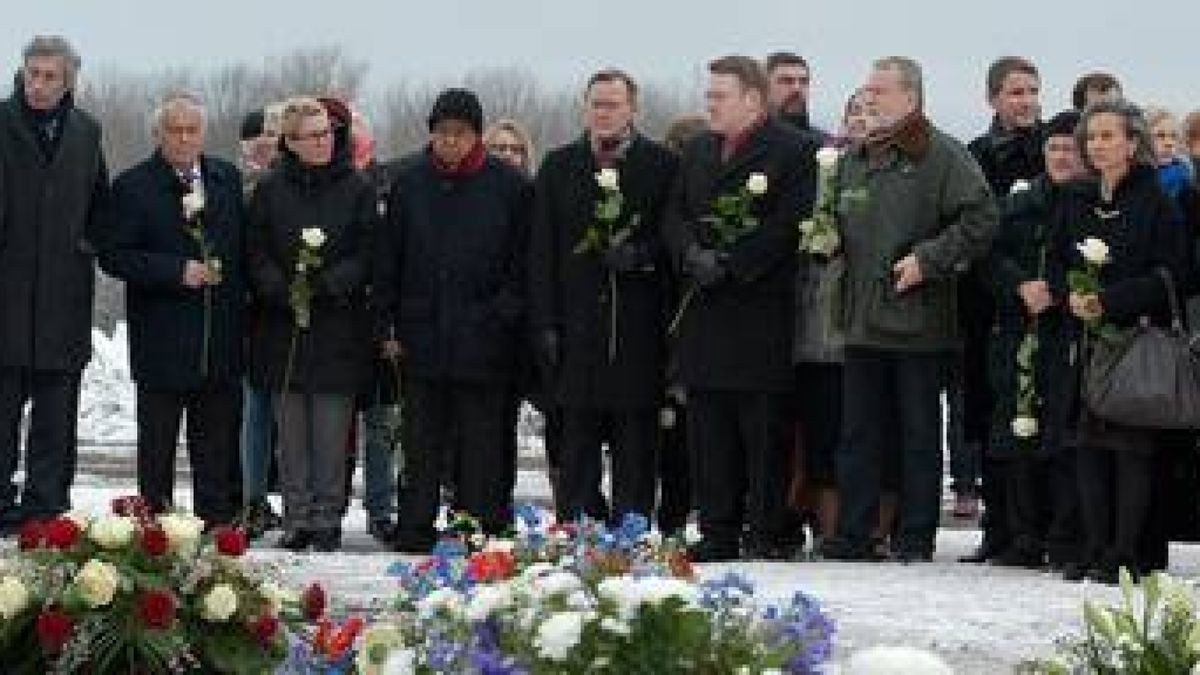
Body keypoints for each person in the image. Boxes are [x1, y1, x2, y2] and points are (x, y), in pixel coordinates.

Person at [821, 56, 997, 563]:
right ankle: (854, 535)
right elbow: (845, 218)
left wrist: (929, 260)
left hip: (917, 320)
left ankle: (915, 537)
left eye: (879, 90)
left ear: (910, 98)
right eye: (866, 89)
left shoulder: (942, 155)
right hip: (860, 320)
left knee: (919, 435)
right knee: (857, 436)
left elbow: (982, 218)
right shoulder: (856, 156)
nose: (869, 97)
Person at [664, 55, 816, 561]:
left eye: (719, 96)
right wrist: (691, 254)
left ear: (752, 99)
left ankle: (769, 529)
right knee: (709, 431)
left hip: (759, 311)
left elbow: (791, 222)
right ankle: (717, 528)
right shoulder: (700, 151)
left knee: (762, 431)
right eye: (708, 96)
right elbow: (675, 213)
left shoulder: (792, 151)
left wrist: (732, 263)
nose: (709, 105)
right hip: (705, 311)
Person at [376, 88, 532, 552]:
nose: (450, 142)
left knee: (479, 440)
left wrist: (502, 314)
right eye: (442, 133)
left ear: (476, 136)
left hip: (484, 335)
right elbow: (390, 259)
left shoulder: (510, 187)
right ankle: (415, 524)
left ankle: (475, 524)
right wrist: (387, 324)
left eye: (459, 134)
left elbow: (521, 262)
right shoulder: (409, 184)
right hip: (422, 332)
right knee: (421, 438)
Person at [530, 69, 678, 525]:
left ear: (632, 109)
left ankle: (631, 529)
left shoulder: (661, 165)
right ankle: (580, 527)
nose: (604, 112)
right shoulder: (559, 165)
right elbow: (541, 250)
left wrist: (639, 255)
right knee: (577, 439)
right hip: (576, 328)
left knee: (635, 440)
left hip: (635, 328)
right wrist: (546, 322)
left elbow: (670, 237)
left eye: (613, 104)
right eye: (596, 103)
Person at [1052, 100, 1188, 583]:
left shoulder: (1158, 203)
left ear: (1133, 144)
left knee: (1130, 445)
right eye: (1092, 137)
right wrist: (1072, 295)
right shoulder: (1075, 198)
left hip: (1134, 337)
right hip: (1083, 339)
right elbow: (1056, 257)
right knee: (1087, 444)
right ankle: (1093, 546)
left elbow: (1173, 273)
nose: (1098, 145)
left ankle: (1126, 551)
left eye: (1109, 136)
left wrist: (1109, 302)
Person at [102, 92, 244, 525]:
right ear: (158, 134)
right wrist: (174, 271)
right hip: (161, 342)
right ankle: (156, 534)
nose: (183, 139)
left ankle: (217, 536)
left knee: (216, 453)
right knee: (157, 454)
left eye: (191, 130)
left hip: (217, 343)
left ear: (203, 132)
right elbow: (114, 256)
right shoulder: (133, 186)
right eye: (174, 130)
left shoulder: (226, 178)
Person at [246, 96, 375, 552]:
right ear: (291, 141)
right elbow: (256, 251)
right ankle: (296, 516)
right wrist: (280, 287)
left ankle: (327, 516)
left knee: (331, 426)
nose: (324, 142)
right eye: (313, 135)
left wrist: (328, 283)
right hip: (283, 323)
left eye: (328, 133)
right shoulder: (269, 190)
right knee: (293, 427)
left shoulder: (358, 188)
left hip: (337, 323)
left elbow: (366, 252)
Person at [0, 36, 110, 533]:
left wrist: (90, 242)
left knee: (55, 419)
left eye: (50, 76)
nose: (38, 85)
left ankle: (45, 510)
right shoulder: (1, 123)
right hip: (6, 294)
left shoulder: (86, 132)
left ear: (68, 82)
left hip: (64, 299)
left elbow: (99, 202)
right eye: (32, 74)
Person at [984, 110, 1087, 569]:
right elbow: (990, 256)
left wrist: (1060, 293)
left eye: (1070, 148)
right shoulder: (1019, 204)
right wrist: (1019, 286)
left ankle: (1064, 537)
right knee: (1016, 434)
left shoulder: (1090, 206)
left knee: (1063, 441)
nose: (1061, 157)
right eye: (1054, 148)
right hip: (1019, 332)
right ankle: (1022, 536)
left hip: (1070, 335)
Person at [960, 56, 1045, 563]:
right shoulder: (976, 155)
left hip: (1038, 304)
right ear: (993, 98)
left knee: (1033, 414)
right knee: (988, 415)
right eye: (1016, 92)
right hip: (985, 302)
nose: (1027, 100)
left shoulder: (1053, 149)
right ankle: (997, 528)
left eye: (1033, 90)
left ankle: (1033, 529)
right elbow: (976, 229)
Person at [237, 104, 284, 538]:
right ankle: (252, 498)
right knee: (255, 409)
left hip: (286, 309)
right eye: (259, 134)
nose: (267, 140)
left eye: (274, 131)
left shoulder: (290, 181)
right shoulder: (236, 185)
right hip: (250, 311)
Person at [764, 51, 825, 142]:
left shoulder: (824, 145)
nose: (797, 88)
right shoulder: (749, 142)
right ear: (764, 88)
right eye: (786, 81)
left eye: (803, 81)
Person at [1145, 107, 1194, 200]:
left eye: (1174, 136)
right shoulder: (1135, 172)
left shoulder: (1182, 172)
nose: (1169, 143)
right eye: (1160, 135)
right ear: (1145, 139)